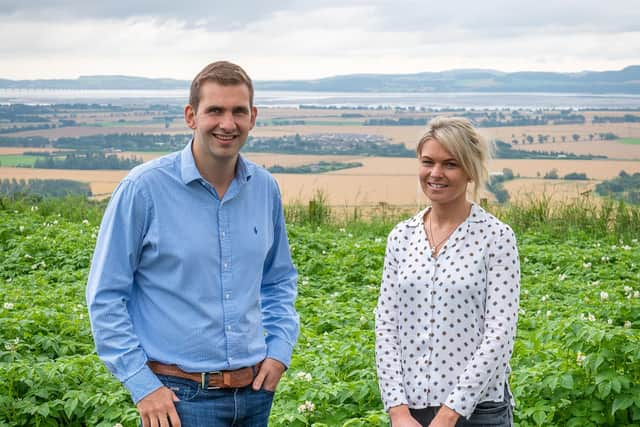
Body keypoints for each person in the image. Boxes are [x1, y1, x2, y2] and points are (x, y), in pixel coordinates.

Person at [86, 61, 299, 427]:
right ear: (190, 116)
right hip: (177, 398)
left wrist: (279, 351)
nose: (227, 124)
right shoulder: (143, 190)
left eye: (238, 111)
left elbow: (278, 279)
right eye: (214, 110)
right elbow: (105, 295)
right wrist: (141, 385)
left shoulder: (264, 188)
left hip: (254, 394)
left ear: (253, 117)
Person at [375, 116, 520, 427]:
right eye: (428, 162)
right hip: (410, 414)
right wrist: (397, 411)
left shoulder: (496, 237)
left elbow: (500, 334)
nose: (436, 173)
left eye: (450, 164)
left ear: (470, 170)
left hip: (478, 411)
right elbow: (386, 326)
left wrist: (449, 414)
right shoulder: (401, 237)